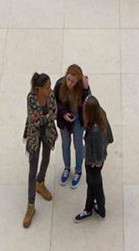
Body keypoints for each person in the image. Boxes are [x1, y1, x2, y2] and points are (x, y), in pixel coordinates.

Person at [23, 72, 58, 227]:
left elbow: (54, 113)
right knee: (32, 169)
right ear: (39, 88)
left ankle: (40, 182)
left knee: (46, 159)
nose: (50, 89)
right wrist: (45, 116)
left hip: (47, 133)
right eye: (47, 87)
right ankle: (31, 205)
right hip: (34, 136)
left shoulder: (50, 96)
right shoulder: (31, 98)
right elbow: (33, 120)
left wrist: (42, 117)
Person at [75, 95, 113, 222]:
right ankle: (90, 207)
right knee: (92, 184)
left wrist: (96, 162)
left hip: (93, 162)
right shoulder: (101, 114)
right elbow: (109, 136)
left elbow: (96, 148)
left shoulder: (95, 130)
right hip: (99, 159)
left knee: (95, 185)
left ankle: (97, 209)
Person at [54, 65, 90, 190]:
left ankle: (78, 170)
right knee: (65, 143)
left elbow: (89, 102)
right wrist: (63, 113)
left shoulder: (82, 89)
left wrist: (86, 88)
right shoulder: (59, 84)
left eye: (73, 81)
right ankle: (67, 168)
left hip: (78, 119)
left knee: (78, 145)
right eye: (68, 79)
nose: (69, 83)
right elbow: (55, 102)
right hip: (64, 118)